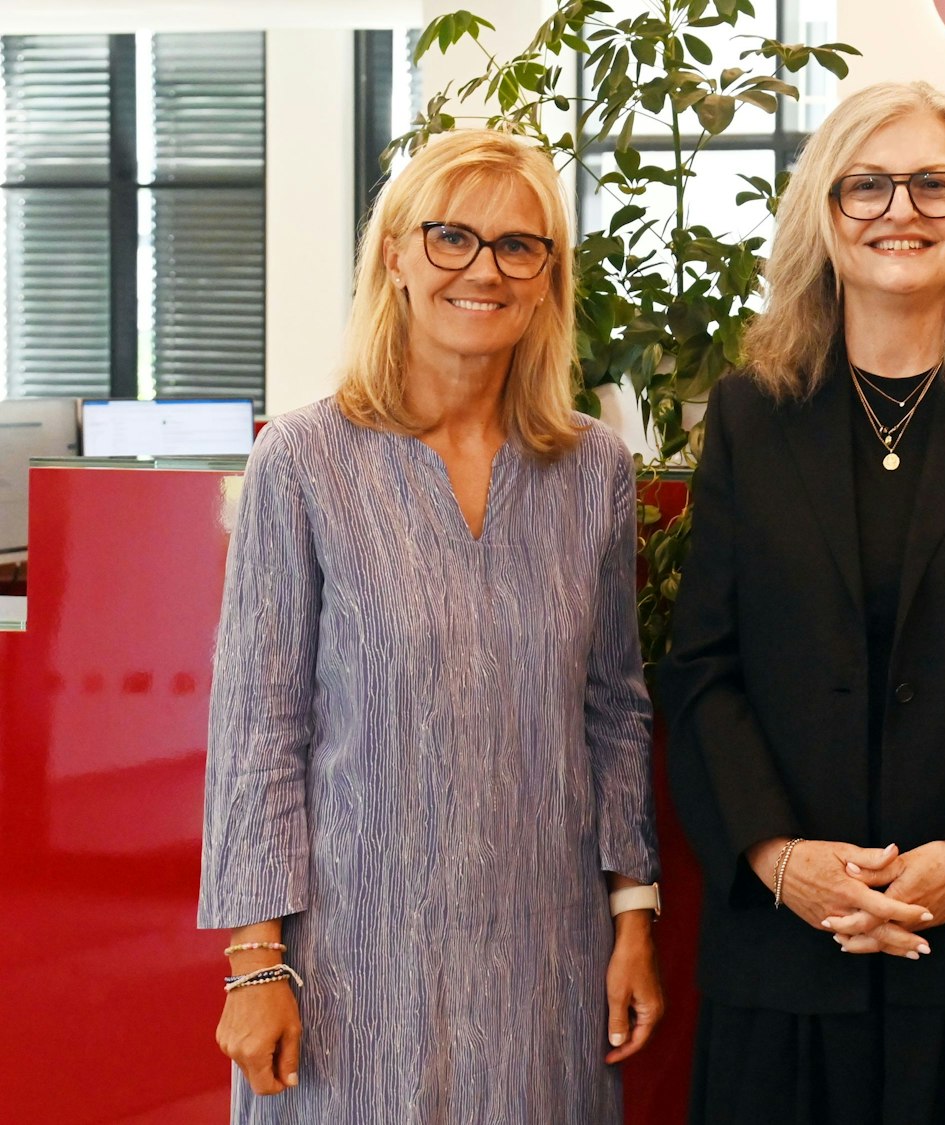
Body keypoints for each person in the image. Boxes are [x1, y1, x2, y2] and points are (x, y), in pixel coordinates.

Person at [658, 80, 945, 1125]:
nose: (897, 211)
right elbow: (703, 666)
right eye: (864, 186)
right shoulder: (748, 410)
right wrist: (779, 861)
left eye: (930, 186)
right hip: (790, 953)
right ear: (822, 214)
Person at [197, 129, 663, 1124]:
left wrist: (632, 916)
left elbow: (614, 709)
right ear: (396, 256)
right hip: (349, 958)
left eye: (516, 246)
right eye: (450, 237)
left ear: (545, 279)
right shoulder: (305, 460)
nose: (482, 270)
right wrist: (252, 962)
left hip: (544, 955)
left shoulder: (591, 471)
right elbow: (257, 729)